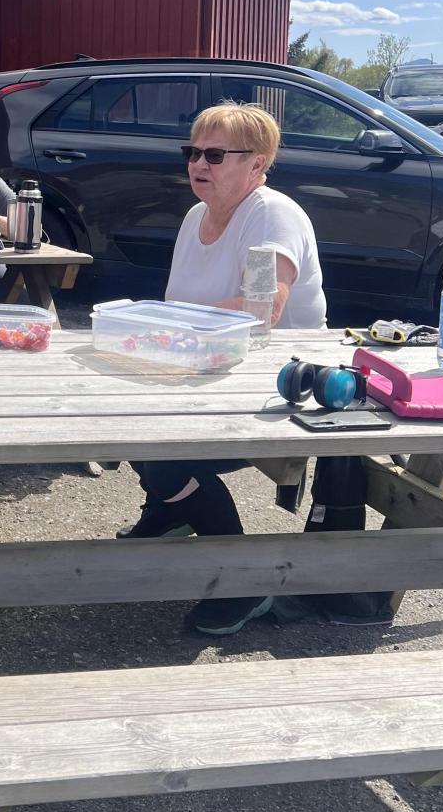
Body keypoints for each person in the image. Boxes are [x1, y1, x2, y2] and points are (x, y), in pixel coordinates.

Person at [118, 102, 327, 637]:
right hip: (211, 370)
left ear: (257, 164)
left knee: (159, 448)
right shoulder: (196, 216)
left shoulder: (270, 216)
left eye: (214, 155)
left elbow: (262, 309)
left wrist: (158, 321)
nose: (198, 164)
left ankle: (243, 582)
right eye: (193, 152)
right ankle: (171, 510)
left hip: (278, 388)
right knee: (109, 412)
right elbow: (182, 310)